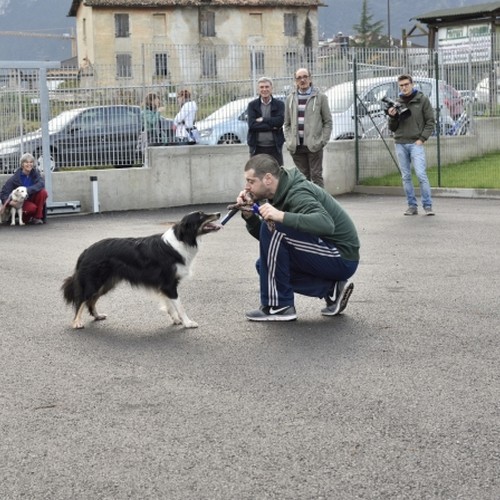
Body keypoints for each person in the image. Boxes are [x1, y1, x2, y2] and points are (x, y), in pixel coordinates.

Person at [236, 154, 360, 322]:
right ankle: (331, 289)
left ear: (267, 179)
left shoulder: (297, 192)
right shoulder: (279, 193)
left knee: (273, 225)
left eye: (251, 181)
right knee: (264, 265)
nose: (247, 187)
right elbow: (270, 242)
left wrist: (281, 216)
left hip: (342, 256)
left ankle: (279, 306)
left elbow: (326, 224)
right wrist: (249, 216)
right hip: (326, 253)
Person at [387, 74, 436, 216]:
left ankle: (427, 206)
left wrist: (422, 139)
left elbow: (430, 121)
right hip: (400, 143)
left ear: (412, 84)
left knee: (421, 174)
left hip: (416, 143)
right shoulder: (396, 102)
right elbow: (393, 128)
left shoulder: (422, 100)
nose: (404, 88)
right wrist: (392, 116)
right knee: (406, 177)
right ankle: (412, 206)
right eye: (401, 85)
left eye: (406, 84)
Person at [284, 68, 332, 187]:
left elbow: (328, 122)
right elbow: (287, 124)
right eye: (299, 78)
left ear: (310, 78)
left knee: (316, 176)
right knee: (302, 178)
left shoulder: (320, 97)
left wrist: (322, 141)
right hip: (297, 146)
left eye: (305, 76)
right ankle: (306, 204)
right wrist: (290, 141)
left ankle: (320, 203)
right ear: (295, 81)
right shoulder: (290, 98)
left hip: (314, 145)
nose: (302, 80)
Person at [0, 153, 48, 225]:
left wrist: (27, 190)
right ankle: (25, 218)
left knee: (43, 192)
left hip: (32, 197)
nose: (29, 164)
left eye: (31, 162)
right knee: (32, 208)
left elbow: (41, 184)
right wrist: (10, 203)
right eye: (26, 162)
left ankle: (37, 218)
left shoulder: (36, 174)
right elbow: (4, 192)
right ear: (22, 164)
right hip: (22, 202)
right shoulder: (15, 178)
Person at [247, 76, 285, 165]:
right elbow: (252, 125)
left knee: (277, 174)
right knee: (257, 175)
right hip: (257, 148)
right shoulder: (252, 105)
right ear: (258, 89)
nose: (264, 89)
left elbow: (279, 122)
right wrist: (272, 126)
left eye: (267, 87)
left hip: (275, 147)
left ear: (271, 88)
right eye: (262, 87)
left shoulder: (279, 104)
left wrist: (263, 119)